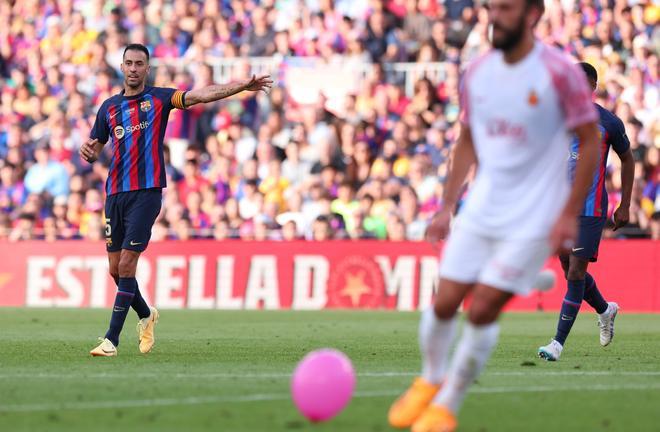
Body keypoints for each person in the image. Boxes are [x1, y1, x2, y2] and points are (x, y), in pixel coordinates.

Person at [386, 0, 601, 429]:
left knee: (481, 309)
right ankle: (429, 380)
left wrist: (566, 213)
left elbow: (591, 141)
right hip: (483, 206)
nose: (495, 16)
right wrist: (447, 205)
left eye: (506, 8)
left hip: (534, 217)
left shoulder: (559, 73)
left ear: (533, 14)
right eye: (491, 8)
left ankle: (447, 404)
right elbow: (466, 140)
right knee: (444, 302)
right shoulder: (478, 72)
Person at [81, 43, 272, 357]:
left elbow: (199, 95)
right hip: (114, 193)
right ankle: (146, 314)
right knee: (116, 271)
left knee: (128, 264)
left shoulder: (158, 99)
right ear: (122, 66)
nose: (133, 68)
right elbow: (95, 147)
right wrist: (88, 153)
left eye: (139, 64)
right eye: (128, 63)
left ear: (147, 68)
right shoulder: (108, 108)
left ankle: (111, 340)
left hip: (147, 192)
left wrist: (241, 87)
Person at [537, 62, 635, 361]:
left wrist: (625, 204)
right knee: (570, 272)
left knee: (577, 272)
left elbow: (628, 160)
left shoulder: (608, 123)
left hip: (591, 209)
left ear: (592, 87)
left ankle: (557, 344)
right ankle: (606, 310)